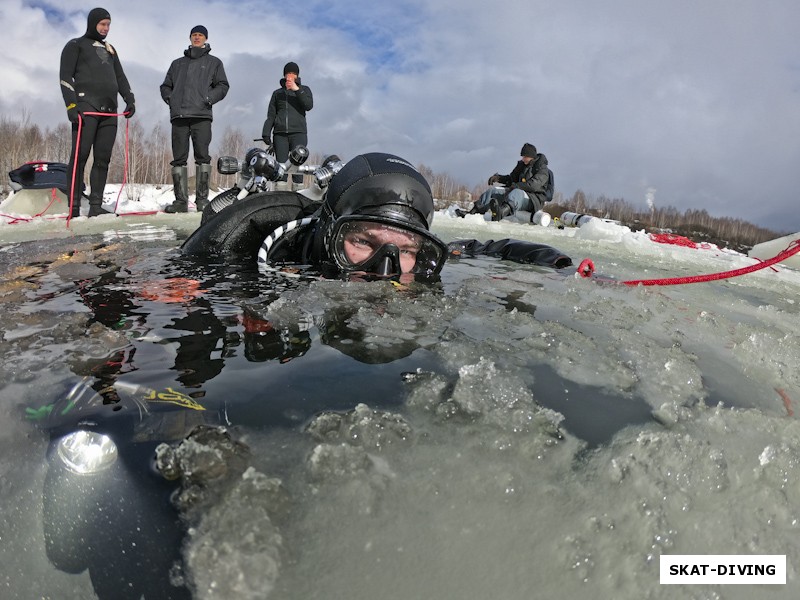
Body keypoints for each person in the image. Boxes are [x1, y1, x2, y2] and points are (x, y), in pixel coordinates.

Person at [181, 152, 572, 278]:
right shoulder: (270, 246)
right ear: (328, 232)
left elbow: (484, 247)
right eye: (363, 241)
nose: (382, 272)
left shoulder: (415, 264)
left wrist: (558, 264)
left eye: (404, 251)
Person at [59, 7, 135, 217]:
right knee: (80, 156)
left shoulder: (111, 50)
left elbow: (120, 78)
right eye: (102, 24)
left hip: (110, 111)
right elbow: (65, 77)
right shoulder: (76, 45)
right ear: (93, 23)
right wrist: (71, 106)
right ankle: (73, 208)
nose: (106, 28)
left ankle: (95, 206)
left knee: (103, 159)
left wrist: (130, 100)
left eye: (108, 24)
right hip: (86, 108)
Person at [161, 25, 230, 213]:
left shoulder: (214, 62)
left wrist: (208, 99)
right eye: (194, 35)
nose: (197, 38)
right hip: (179, 116)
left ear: (205, 38)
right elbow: (165, 86)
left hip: (202, 115)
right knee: (179, 159)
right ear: (190, 38)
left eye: (200, 35)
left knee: (202, 156)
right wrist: (171, 99)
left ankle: (202, 200)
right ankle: (180, 202)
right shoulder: (177, 64)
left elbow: (223, 86)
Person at [457, 143, 552, 221]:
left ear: (532, 157)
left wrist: (517, 186)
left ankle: (500, 213)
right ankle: (473, 213)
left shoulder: (542, 169)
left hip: (533, 199)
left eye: (525, 157)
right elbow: (511, 179)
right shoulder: (522, 165)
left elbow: (533, 186)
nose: (523, 159)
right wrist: (498, 178)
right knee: (493, 191)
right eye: (523, 156)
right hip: (517, 193)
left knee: (516, 193)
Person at [261, 62, 314, 184]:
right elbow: (271, 115)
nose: (290, 76)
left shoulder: (304, 90)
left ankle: (298, 194)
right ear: (284, 76)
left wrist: (296, 89)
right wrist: (266, 132)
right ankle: (281, 195)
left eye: (293, 74)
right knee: (281, 167)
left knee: (297, 167)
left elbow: (308, 106)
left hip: (299, 133)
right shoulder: (277, 93)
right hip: (280, 134)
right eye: (288, 73)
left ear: (297, 76)